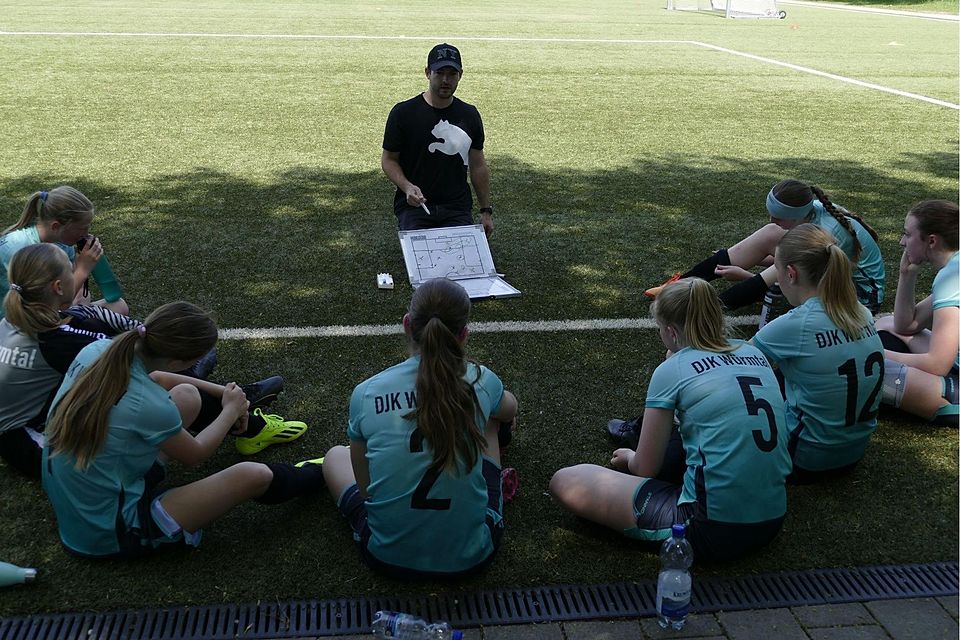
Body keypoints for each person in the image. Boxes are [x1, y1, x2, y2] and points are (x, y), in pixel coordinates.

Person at [41, 301, 325, 559]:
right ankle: (321, 472)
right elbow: (196, 455)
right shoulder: (147, 404)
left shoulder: (99, 350)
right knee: (253, 475)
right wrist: (229, 411)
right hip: (110, 532)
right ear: (178, 361)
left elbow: (161, 377)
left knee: (187, 394)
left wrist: (234, 397)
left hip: (90, 491)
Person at [0, 245, 294, 479]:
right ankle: (246, 420)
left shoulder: (16, 320)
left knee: (156, 376)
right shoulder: (61, 342)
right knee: (148, 386)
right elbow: (145, 367)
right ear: (57, 287)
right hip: (34, 445)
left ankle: (212, 384)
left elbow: (95, 322)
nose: (77, 273)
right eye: (71, 269)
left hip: (35, 416)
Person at [551, 278, 791, 563]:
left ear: (671, 332)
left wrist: (630, 457)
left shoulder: (672, 369)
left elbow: (645, 468)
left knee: (566, 480)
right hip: (773, 515)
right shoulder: (754, 353)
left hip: (709, 528)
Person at [322, 277, 518, 578]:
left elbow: (366, 491)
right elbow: (510, 409)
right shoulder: (480, 379)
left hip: (386, 556)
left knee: (335, 456)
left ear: (406, 324)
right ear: (464, 335)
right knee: (491, 418)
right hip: (471, 557)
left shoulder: (366, 392)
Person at [752, 224, 884, 482]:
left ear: (791, 274)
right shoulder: (860, 312)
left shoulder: (796, 324)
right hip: (853, 454)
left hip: (805, 459)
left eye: (777, 271)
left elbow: (732, 371)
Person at [644, 180, 885, 319]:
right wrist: (762, 263)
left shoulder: (824, 234)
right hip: (826, 270)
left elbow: (786, 276)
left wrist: (747, 277)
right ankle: (678, 285)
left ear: (797, 216)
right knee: (769, 234)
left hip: (859, 297)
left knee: (766, 282)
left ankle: (700, 311)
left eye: (778, 216)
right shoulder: (810, 212)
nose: (771, 219)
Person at [381, 43, 495, 235]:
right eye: (439, 72)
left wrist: (485, 211)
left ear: (461, 75)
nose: (445, 80)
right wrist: (407, 187)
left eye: (452, 74)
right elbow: (388, 160)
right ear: (427, 73)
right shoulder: (403, 113)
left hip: (456, 208)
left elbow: (478, 165)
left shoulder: (469, 115)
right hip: (415, 208)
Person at [876, 200, 958, 426]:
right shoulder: (954, 269)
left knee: (869, 369)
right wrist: (906, 274)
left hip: (950, 378)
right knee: (886, 324)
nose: (902, 242)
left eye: (907, 234)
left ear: (932, 241)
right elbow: (906, 325)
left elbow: (937, 364)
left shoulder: (951, 278)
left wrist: (872, 352)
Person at [0, 186, 129, 319]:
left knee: (119, 307)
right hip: (22, 323)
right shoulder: (21, 250)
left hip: (50, 312)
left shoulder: (61, 243)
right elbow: (47, 308)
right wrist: (83, 270)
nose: (86, 233)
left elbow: (75, 297)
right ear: (56, 226)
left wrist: (82, 267)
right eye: (82, 228)